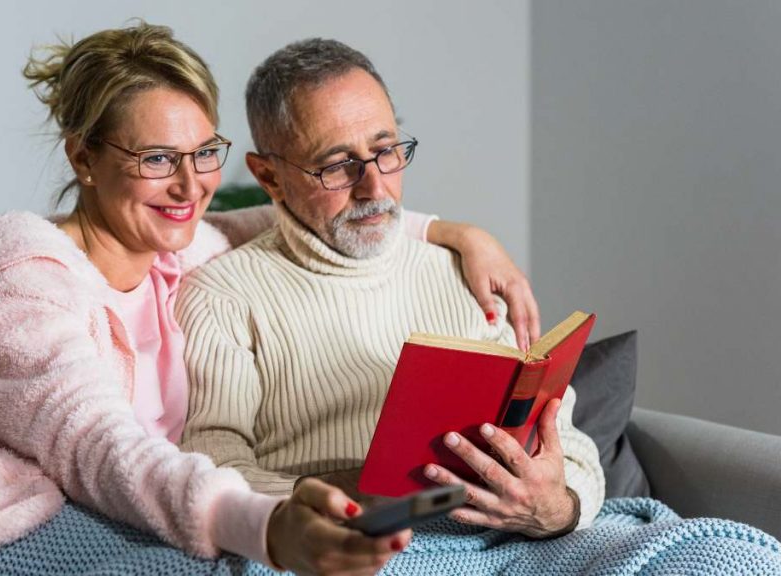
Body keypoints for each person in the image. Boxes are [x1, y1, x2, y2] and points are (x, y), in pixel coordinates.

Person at [0, 23, 541, 575]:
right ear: (83, 157)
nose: (190, 187)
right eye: (156, 159)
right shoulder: (20, 280)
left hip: (144, 497)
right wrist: (266, 525)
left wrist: (456, 231)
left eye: (203, 154)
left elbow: (316, 203)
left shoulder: (181, 248)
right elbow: (99, 446)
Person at [177, 37, 605, 539]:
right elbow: (211, 478)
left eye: (386, 151)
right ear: (269, 176)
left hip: (512, 539)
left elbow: (573, 451)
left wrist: (553, 507)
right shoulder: (223, 296)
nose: (375, 187)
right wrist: (358, 492)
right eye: (338, 165)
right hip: (344, 544)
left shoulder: (466, 274)